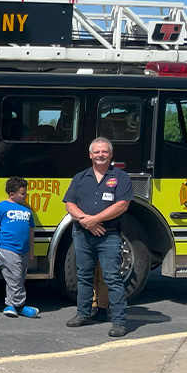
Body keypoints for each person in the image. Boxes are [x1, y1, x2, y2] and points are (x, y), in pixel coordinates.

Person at [62, 137, 134, 337]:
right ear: (90, 155)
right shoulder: (80, 177)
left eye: (104, 152)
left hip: (109, 235)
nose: (100, 155)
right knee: (84, 276)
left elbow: (122, 205)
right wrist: (86, 220)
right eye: (97, 152)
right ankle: (83, 314)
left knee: (112, 277)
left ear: (111, 154)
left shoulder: (121, 177)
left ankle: (119, 321)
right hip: (82, 234)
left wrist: (94, 220)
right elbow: (69, 203)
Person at [0, 177, 40, 319]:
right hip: (7, 247)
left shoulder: (27, 209)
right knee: (15, 277)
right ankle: (17, 305)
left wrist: (31, 249)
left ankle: (13, 305)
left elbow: (31, 230)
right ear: (12, 194)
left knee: (20, 277)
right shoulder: (0, 207)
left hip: (23, 249)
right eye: (23, 193)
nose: (26, 196)